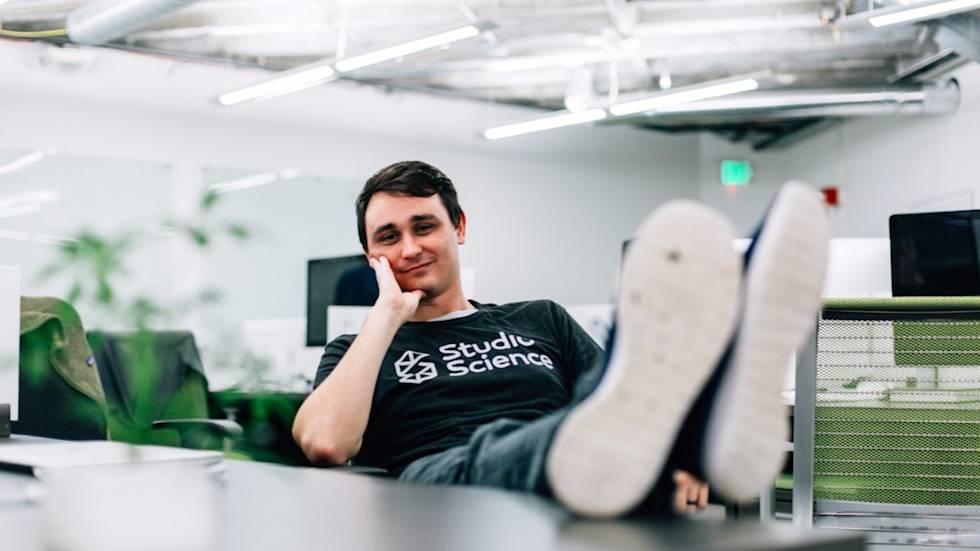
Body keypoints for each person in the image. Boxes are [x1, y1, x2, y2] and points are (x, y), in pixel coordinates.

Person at [292, 160, 830, 518]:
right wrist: (386, 315)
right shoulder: (356, 350)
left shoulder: (540, 318)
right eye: (389, 238)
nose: (409, 249)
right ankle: (706, 421)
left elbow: (623, 397)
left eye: (424, 226)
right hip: (445, 488)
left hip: (582, 468)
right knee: (535, 439)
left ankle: (714, 388)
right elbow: (324, 444)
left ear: (459, 227)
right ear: (371, 258)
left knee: (607, 406)